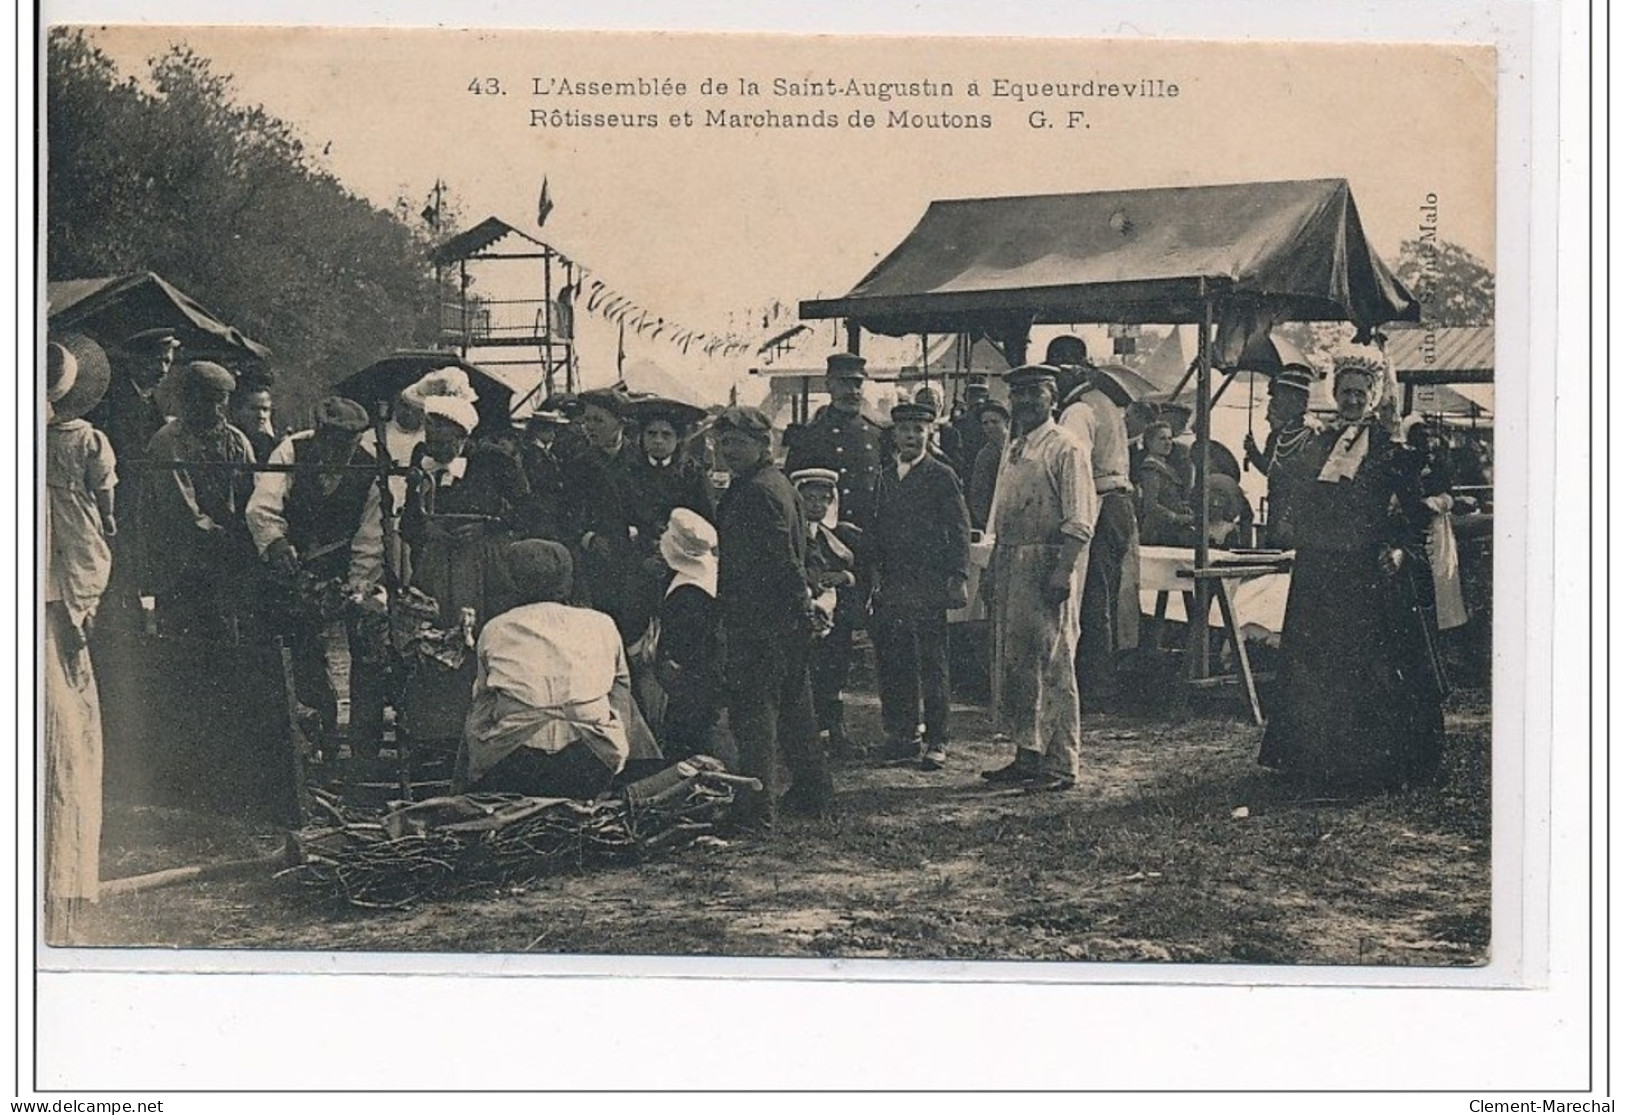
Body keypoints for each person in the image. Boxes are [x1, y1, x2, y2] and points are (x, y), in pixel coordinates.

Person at [1258, 355, 1446, 791]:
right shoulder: (1318, 444)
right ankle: (1312, 761)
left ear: (1373, 397)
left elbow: (1413, 510)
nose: (1353, 401)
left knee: (1362, 665)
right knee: (1315, 665)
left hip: (1366, 571)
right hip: (1319, 570)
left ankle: (1366, 766)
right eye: (1346, 393)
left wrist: (1399, 549)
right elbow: (1299, 496)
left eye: (1361, 394)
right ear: (1335, 395)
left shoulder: (1390, 447)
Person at [714, 405, 832, 830]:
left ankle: (756, 810)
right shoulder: (775, 483)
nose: (729, 450)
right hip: (783, 621)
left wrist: (800, 599)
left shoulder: (758, 490)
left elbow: (783, 557)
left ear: (762, 443)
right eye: (723, 441)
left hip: (761, 619)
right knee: (797, 709)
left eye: (739, 442)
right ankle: (813, 791)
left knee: (755, 714)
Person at [246, 396, 384, 752]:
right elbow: (263, 504)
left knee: (366, 644)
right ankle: (313, 738)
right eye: (334, 447)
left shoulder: (369, 467)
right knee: (300, 652)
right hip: (291, 567)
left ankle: (362, 746)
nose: (341, 457)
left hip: (341, 568)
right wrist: (275, 543)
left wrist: (358, 585)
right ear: (320, 436)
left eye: (349, 448)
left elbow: (370, 537)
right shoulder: (292, 450)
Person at [981, 365, 1096, 791]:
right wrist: (994, 568)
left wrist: (1063, 570)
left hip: (1049, 559)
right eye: (1019, 395)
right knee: (1018, 663)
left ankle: (1061, 763)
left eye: (1035, 394)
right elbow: (1002, 518)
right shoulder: (1015, 448)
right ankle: (1027, 753)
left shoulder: (1067, 448)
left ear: (1053, 398)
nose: (1025, 402)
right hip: (1013, 559)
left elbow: (1080, 520)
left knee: (1054, 661)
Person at [455, 540, 634, 800]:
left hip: (516, 761)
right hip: (590, 762)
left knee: (482, 712)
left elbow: (483, 699)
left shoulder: (497, 628)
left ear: (514, 580)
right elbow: (620, 688)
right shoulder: (602, 623)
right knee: (614, 694)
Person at [399, 391, 528, 742]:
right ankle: (435, 733)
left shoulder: (494, 462)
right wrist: (425, 527)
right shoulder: (421, 462)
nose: (434, 446)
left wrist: (488, 526)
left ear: (463, 437)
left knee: (478, 643)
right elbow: (408, 524)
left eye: (444, 438)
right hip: (436, 569)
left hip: (483, 570)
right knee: (433, 643)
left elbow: (528, 511)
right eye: (429, 434)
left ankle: (482, 729)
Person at [44, 339, 116, 943]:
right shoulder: (81, 446)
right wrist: (82, 608)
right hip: (52, 607)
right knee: (65, 738)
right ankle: (59, 882)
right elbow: (89, 543)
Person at [869, 400, 971, 770]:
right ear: (894, 435)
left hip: (929, 582)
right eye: (904, 431)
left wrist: (958, 577)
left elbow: (959, 530)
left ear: (930, 433)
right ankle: (903, 734)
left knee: (933, 661)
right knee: (896, 658)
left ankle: (937, 739)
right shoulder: (884, 475)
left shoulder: (942, 475)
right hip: (894, 582)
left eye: (918, 430)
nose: (911, 437)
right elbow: (877, 529)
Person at [141, 360, 259, 640]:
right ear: (189, 399)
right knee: (184, 644)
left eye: (223, 402)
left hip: (226, 563)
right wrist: (227, 538)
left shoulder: (237, 441)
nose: (218, 411)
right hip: (181, 563)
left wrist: (247, 535)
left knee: (228, 640)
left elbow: (252, 494)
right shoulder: (168, 442)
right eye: (210, 402)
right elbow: (181, 510)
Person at [1058, 364, 1142, 709]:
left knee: (1091, 593)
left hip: (1100, 503)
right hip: (1119, 503)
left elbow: (1069, 463)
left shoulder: (1078, 410)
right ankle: (1103, 680)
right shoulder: (1107, 405)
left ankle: (1094, 685)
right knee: (1106, 594)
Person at [792, 467, 866, 760]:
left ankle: (836, 733)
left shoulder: (839, 535)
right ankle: (806, 739)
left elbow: (860, 568)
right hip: (805, 615)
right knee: (806, 674)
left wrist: (844, 578)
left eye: (824, 498)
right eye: (810, 498)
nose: (818, 505)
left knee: (834, 672)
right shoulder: (793, 535)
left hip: (836, 620)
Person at [564, 387, 646, 641]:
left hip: (637, 558)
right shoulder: (578, 463)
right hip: (596, 558)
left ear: (620, 422)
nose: (590, 427)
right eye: (587, 420)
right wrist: (588, 538)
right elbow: (567, 514)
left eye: (598, 420)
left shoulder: (640, 460)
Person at [651, 509, 724, 762]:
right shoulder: (708, 574)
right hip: (707, 670)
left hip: (691, 674)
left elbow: (687, 641)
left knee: (689, 734)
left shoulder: (688, 592)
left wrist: (674, 663)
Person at [783, 353, 887, 532]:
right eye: (845, 383)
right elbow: (794, 493)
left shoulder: (877, 434)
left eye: (858, 384)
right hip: (828, 535)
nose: (853, 391)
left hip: (871, 536)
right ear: (829, 385)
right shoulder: (810, 436)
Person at [1243, 367, 1319, 547]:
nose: (1275, 405)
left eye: (1278, 399)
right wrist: (1253, 452)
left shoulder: (1311, 433)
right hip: (1277, 503)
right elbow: (1271, 470)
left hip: (1300, 508)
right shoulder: (1278, 435)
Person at [88, 326, 179, 468]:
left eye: (167, 361)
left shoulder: (150, 396)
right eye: (156, 361)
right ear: (134, 361)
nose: (163, 370)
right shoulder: (111, 399)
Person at [513, 408, 572, 542]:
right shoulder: (532, 453)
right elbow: (538, 479)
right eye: (550, 430)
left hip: (548, 505)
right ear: (539, 431)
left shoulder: (547, 453)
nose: (554, 434)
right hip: (540, 505)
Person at [1135, 422, 1197, 547]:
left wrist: (1183, 509)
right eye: (1162, 439)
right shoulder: (1150, 469)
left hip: (1170, 529)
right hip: (1158, 531)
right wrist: (1175, 518)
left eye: (1170, 438)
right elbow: (1150, 505)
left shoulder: (1167, 467)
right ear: (1149, 442)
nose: (1168, 443)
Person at [967, 399, 1009, 530]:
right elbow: (978, 494)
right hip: (997, 520)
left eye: (995, 421)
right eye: (985, 423)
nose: (989, 426)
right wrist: (987, 522)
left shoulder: (1021, 446)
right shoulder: (984, 456)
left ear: (1006, 421)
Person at [230, 380, 278, 464]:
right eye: (253, 409)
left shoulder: (270, 444)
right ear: (237, 411)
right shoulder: (230, 440)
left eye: (265, 409)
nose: (261, 415)